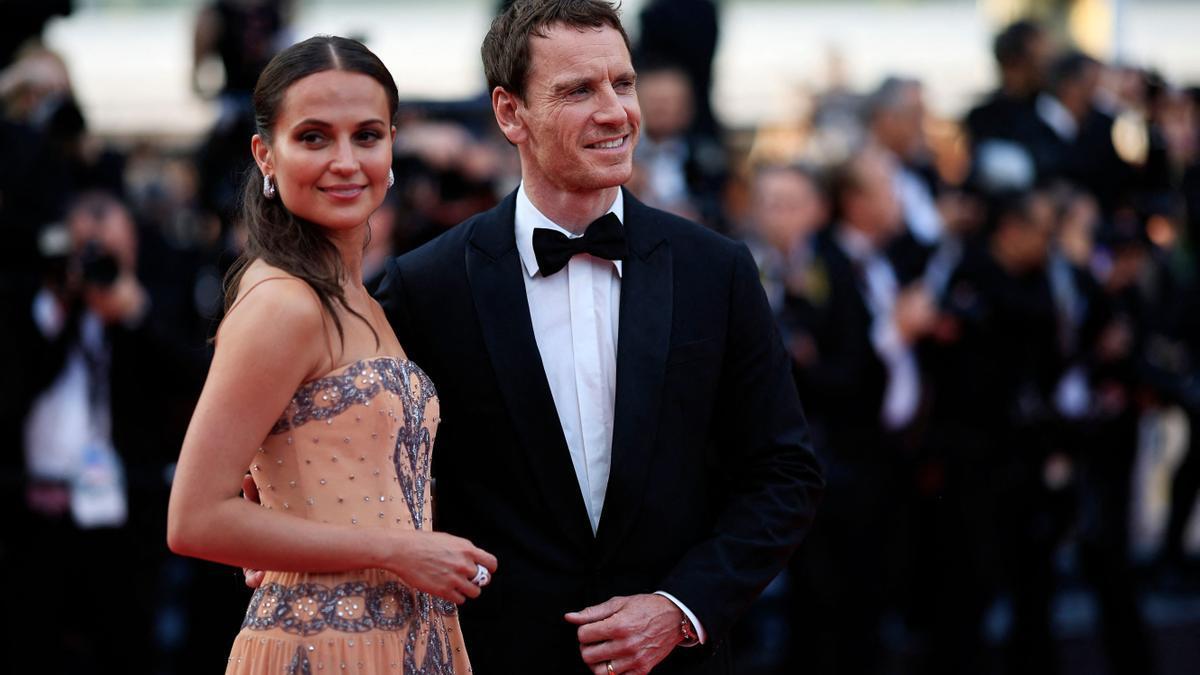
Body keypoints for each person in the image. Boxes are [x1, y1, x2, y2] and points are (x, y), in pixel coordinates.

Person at [373, 1, 823, 673]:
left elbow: (783, 471)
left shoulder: (715, 270)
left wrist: (680, 606)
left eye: (623, 82)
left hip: (674, 661)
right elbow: (380, 479)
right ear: (509, 113)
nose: (616, 111)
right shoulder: (425, 285)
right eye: (578, 90)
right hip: (490, 656)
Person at [166, 36, 497, 674]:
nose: (345, 161)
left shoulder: (362, 299)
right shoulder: (282, 303)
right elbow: (195, 517)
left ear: (393, 145)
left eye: (367, 136)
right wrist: (399, 551)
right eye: (314, 137)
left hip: (408, 642)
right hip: (317, 649)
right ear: (266, 153)